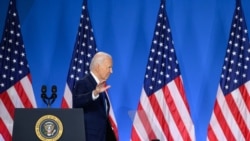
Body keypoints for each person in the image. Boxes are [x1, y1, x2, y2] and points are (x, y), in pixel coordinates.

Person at [73, 51, 117, 141]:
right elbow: (77, 102)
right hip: (89, 137)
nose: (111, 71)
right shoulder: (83, 83)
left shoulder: (101, 85)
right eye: (109, 67)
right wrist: (95, 93)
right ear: (98, 67)